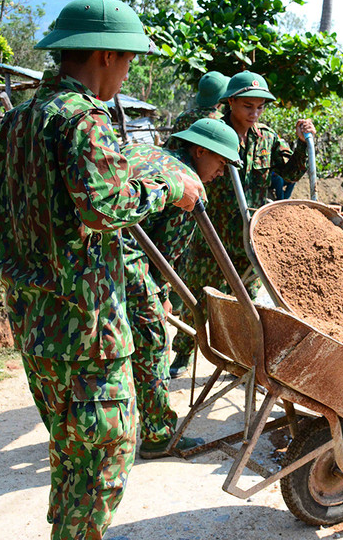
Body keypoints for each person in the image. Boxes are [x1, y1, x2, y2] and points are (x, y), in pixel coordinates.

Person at [0, 0, 203, 540]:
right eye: (127, 60)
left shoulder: (18, 120)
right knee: (105, 453)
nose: (127, 72)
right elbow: (105, 205)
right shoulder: (84, 119)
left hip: (37, 325)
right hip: (87, 330)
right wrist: (169, 185)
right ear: (103, 55)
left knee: (71, 449)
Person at [170, 71, 316, 378]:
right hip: (209, 232)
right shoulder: (211, 132)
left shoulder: (268, 138)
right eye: (248, 106)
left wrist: (302, 144)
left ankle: (239, 362)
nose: (255, 113)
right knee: (196, 298)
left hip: (247, 239)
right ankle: (182, 353)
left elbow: (289, 173)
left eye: (260, 107)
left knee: (244, 306)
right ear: (230, 101)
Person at [122, 118, 241, 459]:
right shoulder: (186, 184)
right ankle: (159, 436)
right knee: (153, 339)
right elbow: (165, 253)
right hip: (126, 259)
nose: (220, 173)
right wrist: (160, 298)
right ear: (200, 150)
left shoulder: (143, 149)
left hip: (89, 255)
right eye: (220, 163)